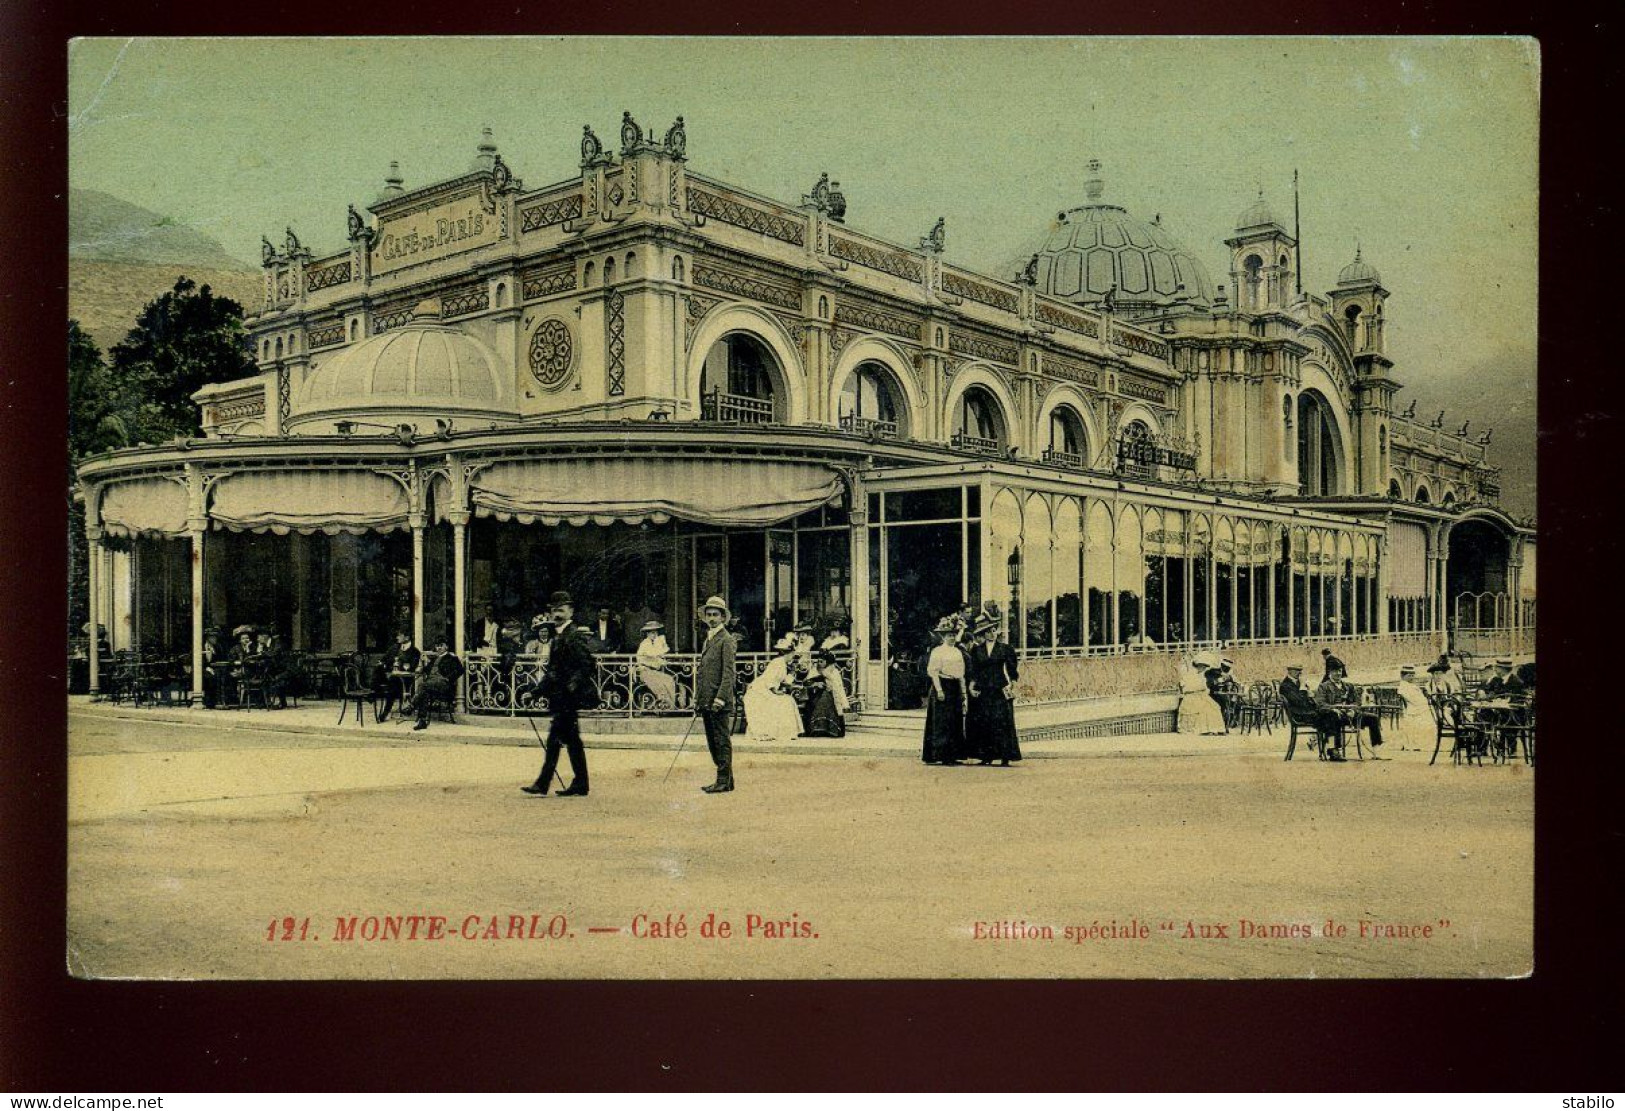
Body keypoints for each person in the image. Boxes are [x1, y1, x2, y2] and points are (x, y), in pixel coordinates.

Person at [522, 591, 597, 797]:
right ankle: (579, 783)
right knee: (570, 742)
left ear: (570, 611)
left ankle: (544, 783)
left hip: (567, 699)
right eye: (554, 610)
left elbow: (587, 665)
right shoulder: (559, 636)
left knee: (556, 741)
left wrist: (571, 686)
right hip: (562, 698)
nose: (557, 614)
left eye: (561, 610)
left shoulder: (573, 635)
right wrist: (535, 693)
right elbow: (553, 673)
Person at [693, 595, 738, 793]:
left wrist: (720, 698)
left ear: (723, 617)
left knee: (721, 741)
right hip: (707, 699)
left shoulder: (726, 640)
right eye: (709, 614)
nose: (711, 618)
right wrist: (699, 698)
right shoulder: (709, 639)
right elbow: (704, 672)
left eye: (715, 615)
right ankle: (727, 780)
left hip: (718, 700)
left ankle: (722, 780)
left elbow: (728, 673)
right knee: (713, 741)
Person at [966, 615, 1022, 766]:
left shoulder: (1005, 649)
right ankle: (986, 756)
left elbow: (1012, 670)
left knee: (1002, 721)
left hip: (999, 688)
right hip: (984, 689)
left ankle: (1005, 756)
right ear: (983, 634)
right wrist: (971, 687)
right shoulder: (977, 650)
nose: (991, 634)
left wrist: (1012, 685)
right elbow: (974, 671)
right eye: (988, 632)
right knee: (985, 721)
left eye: (993, 630)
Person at [923, 617, 969, 766]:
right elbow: (933, 672)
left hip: (955, 687)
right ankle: (941, 755)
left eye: (954, 635)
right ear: (943, 637)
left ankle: (953, 754)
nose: (952, 638)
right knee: (942, 721)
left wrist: (963, 693)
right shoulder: (938, 651)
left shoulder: (957, 652)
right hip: (942, 685)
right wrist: (939, 690)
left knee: (955, 720)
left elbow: (961, 674)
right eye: (949, 635)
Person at [744, 634, 804, 741]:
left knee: (788, 700)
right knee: (781, 702)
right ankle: (771, 731)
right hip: (759, 690)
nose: (792, 657)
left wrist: (792, 672)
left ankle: (786, 732)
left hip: (768, 690)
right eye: (792, 654)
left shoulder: (783, 664)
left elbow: (785, 681)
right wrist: (775, 690)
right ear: (788, 653)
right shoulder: (777, 662)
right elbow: (769, 678)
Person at [1280, 663, 1346, 760]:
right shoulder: (1285, 685)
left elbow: (1309, 698)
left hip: (1309, 712)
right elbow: (1300, 703)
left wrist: (1311, 695)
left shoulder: (1299, 682)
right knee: (1332, 716)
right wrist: (1303, 688)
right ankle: (1332, 750)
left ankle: (1330, 747)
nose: (1300, 673)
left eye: (1300, 670)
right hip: (1300, 715)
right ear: (1290, 671)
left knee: (1334, 715)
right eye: (1297, 670)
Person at [1316, 670, 1384, 751]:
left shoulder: (1349, 686)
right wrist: (1333, 709)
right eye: (1335, 671)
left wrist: (1353, 710)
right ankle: (1336, 750)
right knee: (1333, 718)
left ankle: (1376, 749)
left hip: (1349, 715)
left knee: (1373, 718)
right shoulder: (1323, 686)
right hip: (1332, 716)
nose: (1338, 673)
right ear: (1330, 673)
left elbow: (1357, 701)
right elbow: (1320, 703)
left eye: (1340, 671)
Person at [411, 637, 465, 731]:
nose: (439, 648)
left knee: (423, 686)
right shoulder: (434, 658)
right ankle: (422, 721)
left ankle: (412, 705)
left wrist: (448, 678)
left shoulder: (452, 657)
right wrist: (422, 665)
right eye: (437, 646)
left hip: (444, 685)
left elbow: (460, 670)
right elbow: (425, 670)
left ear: (446, 647)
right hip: (431, 684)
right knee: (424, 690)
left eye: (441, 645)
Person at [1177, 655, 1227, 736]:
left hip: (1201, 696)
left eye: (1204, 667)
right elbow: (1186, 688)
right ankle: (1205, 729)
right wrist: (1200, 689)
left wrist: (1204, 690)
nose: (1203, 668)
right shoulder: (1190, 675)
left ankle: (1216, 728)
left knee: (1215, 706)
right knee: (1204, 709)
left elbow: (1205, 688)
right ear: (1198, 666)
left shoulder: (1201, 676)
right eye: (1202, 666)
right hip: (1191, 696)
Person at [634, 620, 678, 709]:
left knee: (669, 680)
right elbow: (654, 654)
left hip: (653, 671)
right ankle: (665, 706)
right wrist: (661, 642)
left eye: (656, 632)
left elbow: (660, 657)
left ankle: (672, 706)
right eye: (652, 633)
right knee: (659, 686)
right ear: (648, 634)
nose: (655, 635)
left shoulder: (654, 643)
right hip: (644, 671)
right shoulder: (645, 643)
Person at [378, 631, 420, 723]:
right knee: (380, 672)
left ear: (407, 637)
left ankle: (386, 712)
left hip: (406, 680)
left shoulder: (415, 652)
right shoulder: (394, 648)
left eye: (400, 635)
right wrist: (386, 666)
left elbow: (412, 667)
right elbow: (384, 659)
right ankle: (374, 692)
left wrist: (399, 667)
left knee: (392, 684)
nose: (397, 637)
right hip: (392, 676)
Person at [1391, 664, 1435, 751]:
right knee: (1431, 715)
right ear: (1403, 676)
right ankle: (1422, 743)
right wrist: (1425, 703)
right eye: (1409, 676)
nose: (1411, 677)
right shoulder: (1403, 687)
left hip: (1419, 706)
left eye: (1412, 675)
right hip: (1414, 709)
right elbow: (1414, 700)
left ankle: (1425, 742)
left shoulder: (1411, 686)